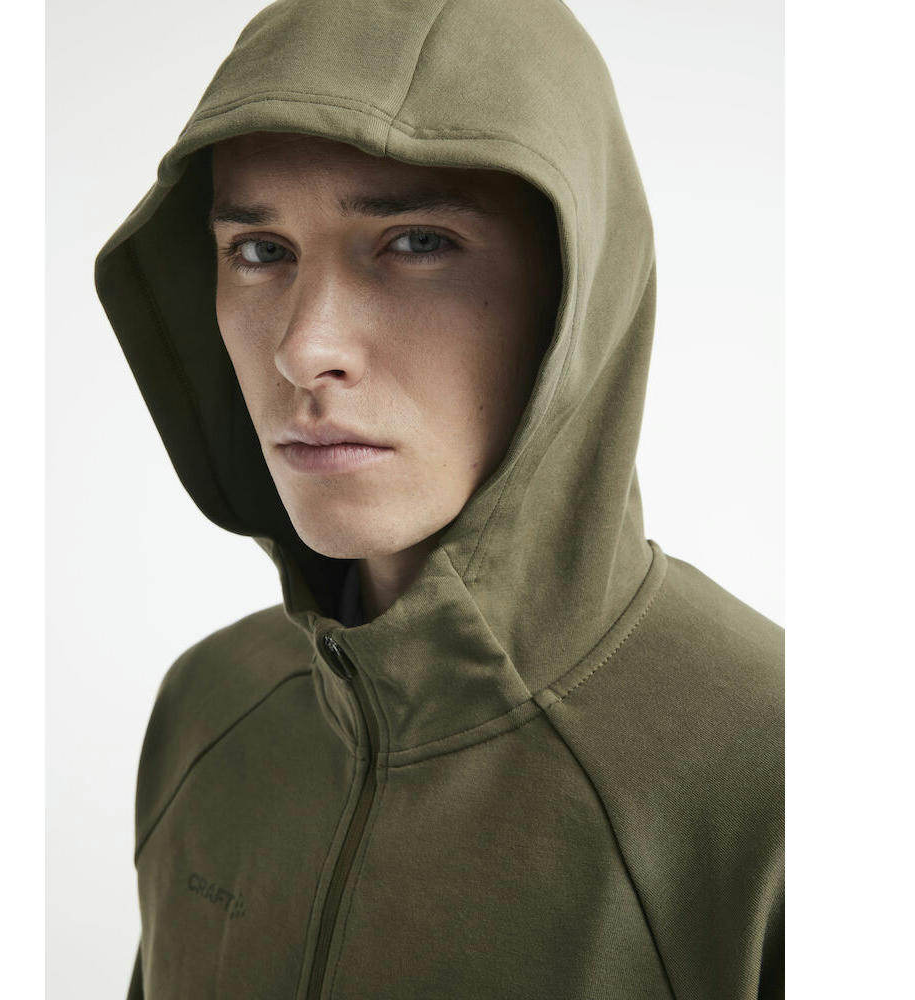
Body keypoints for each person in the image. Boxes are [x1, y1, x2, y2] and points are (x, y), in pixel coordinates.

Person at [94, 1, 784, 997]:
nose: (303, 348)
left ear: (574, 292)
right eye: (260, 251)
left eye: (416, 242)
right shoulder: (210, 711)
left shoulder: (781, 782)